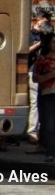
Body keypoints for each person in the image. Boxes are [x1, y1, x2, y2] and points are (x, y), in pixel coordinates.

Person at [27, 11, 53, 145]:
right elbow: (26, 50)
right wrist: (39, 43)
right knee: (36, 103)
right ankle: (33, 132)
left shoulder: (46, 35)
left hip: (40, 73)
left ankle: (36, 132)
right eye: (43, 22)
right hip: (32, 70)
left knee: (39, 104)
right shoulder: (30, 34)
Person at [33, 33, 55, 163]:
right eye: (53, 42)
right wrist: (52, 74)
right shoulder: (43, 60)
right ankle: (50, 153)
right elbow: (36, 78)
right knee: (49, 125)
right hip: (48, 94)